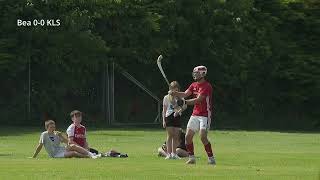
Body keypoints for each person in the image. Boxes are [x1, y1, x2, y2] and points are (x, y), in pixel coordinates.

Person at [169, 65, 216, 165]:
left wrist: (184, 102)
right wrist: (175, 93)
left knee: (203, 136)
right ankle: (192, 158)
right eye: (194, 73)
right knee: (188, 136)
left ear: (203, 74)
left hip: (205, 115)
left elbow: (198, 100)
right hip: (195, 114)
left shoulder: (207, 86)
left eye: (197, 73)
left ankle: (211, 158)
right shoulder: (193, 84)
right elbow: (185, 94)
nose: (195, 74)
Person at [31, 120, 99, 159]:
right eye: (51, 127)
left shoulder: (56, 134)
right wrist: (34, 156)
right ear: (46, 128)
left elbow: (68, 143)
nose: (53, 128)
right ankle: (89, 156)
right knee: (73, 153)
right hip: (55, 154)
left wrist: (61, 136)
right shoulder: (44, 134)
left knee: (73, 146)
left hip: (61, 149)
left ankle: (91, 154)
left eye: (54, 127)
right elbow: (40, 146)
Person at [162, 81, 187, 159]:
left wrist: (179, 111)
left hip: (177, 117)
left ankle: (174, 154)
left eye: (176, 90)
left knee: (176, 136)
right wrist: (163, 120)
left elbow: (184, 107)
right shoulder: (166, 97)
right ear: (170, 89)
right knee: (170, 135)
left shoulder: (180, 98)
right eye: (173, 89)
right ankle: (168, 154)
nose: (174, 91)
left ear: (178, 90)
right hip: (169, 116)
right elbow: (164, 110)